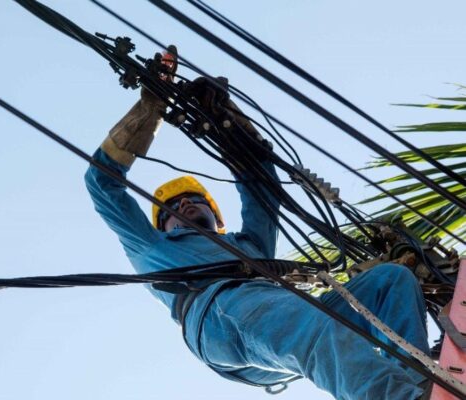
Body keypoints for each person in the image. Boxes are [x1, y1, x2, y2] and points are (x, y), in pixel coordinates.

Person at [84, 47, 432, 400]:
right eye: (172, 207)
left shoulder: (250, 247)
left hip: (273, 311)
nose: (185, 202)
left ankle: (421, 382)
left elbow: (260, 179)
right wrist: (151, 108)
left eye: (194, 198)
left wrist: (229, 123)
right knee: (311, 331)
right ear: (162, 226)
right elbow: (102, 183)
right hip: (220, 312)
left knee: (392, 281)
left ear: (217, 216)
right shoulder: (152, 249)